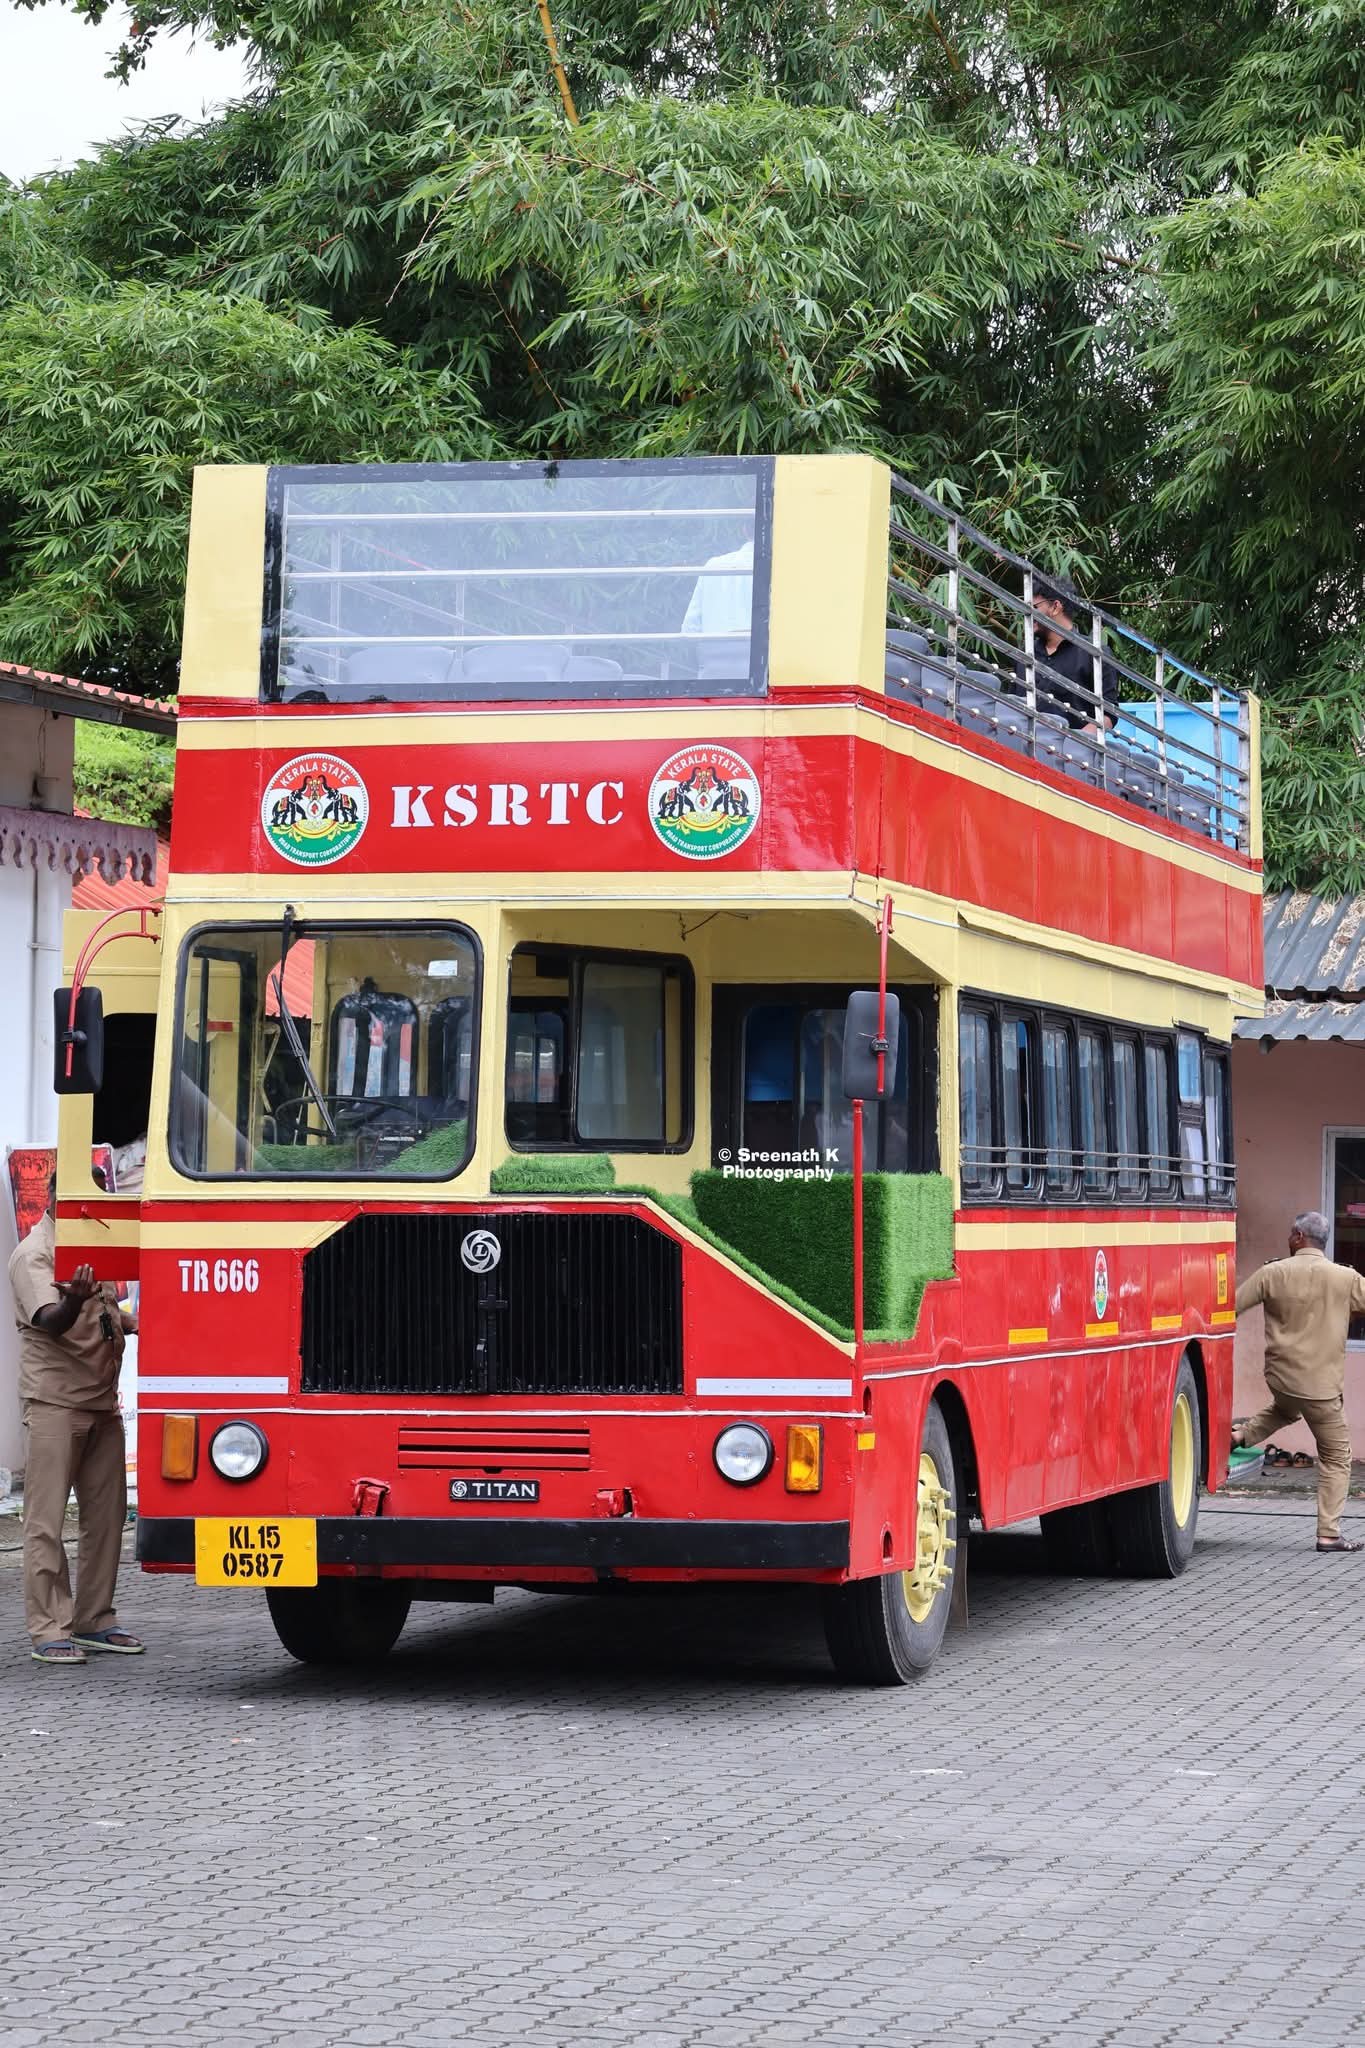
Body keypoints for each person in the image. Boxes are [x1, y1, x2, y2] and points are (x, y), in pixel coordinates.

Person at [8, 1172, 144, 1664]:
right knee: (45, 1522)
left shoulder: (91, 1240)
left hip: (101, 1402)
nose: (94, 1206)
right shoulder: (34, 1254)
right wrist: (74, 1299)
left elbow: (104, 1313)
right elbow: (50, 1321)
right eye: (84, 1198)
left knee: (106, 1519)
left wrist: (133, 1322)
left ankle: (94, 1619)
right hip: (55, 1404)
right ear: (53, 1198)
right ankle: (49, 1627)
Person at [1232, 1209, 1365, 1553]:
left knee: (1287, 1408)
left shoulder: (1271, 1273)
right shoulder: (1345, 1279)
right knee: (1337, 1457)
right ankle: (1329, 1534)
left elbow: (1230, 1306)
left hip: (1281, 1379)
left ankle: (1239, 1437)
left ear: (1296, 1236)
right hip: (1321, 1388)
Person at [1016, 573, 1119, 733]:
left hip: (1072, 752)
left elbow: (1108, 715)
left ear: (1055, 607)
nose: (1027, 613)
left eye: (1034, 607)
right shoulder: (1025, 652)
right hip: (1022, 745)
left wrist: (1075, 742)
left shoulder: (1095, 654)